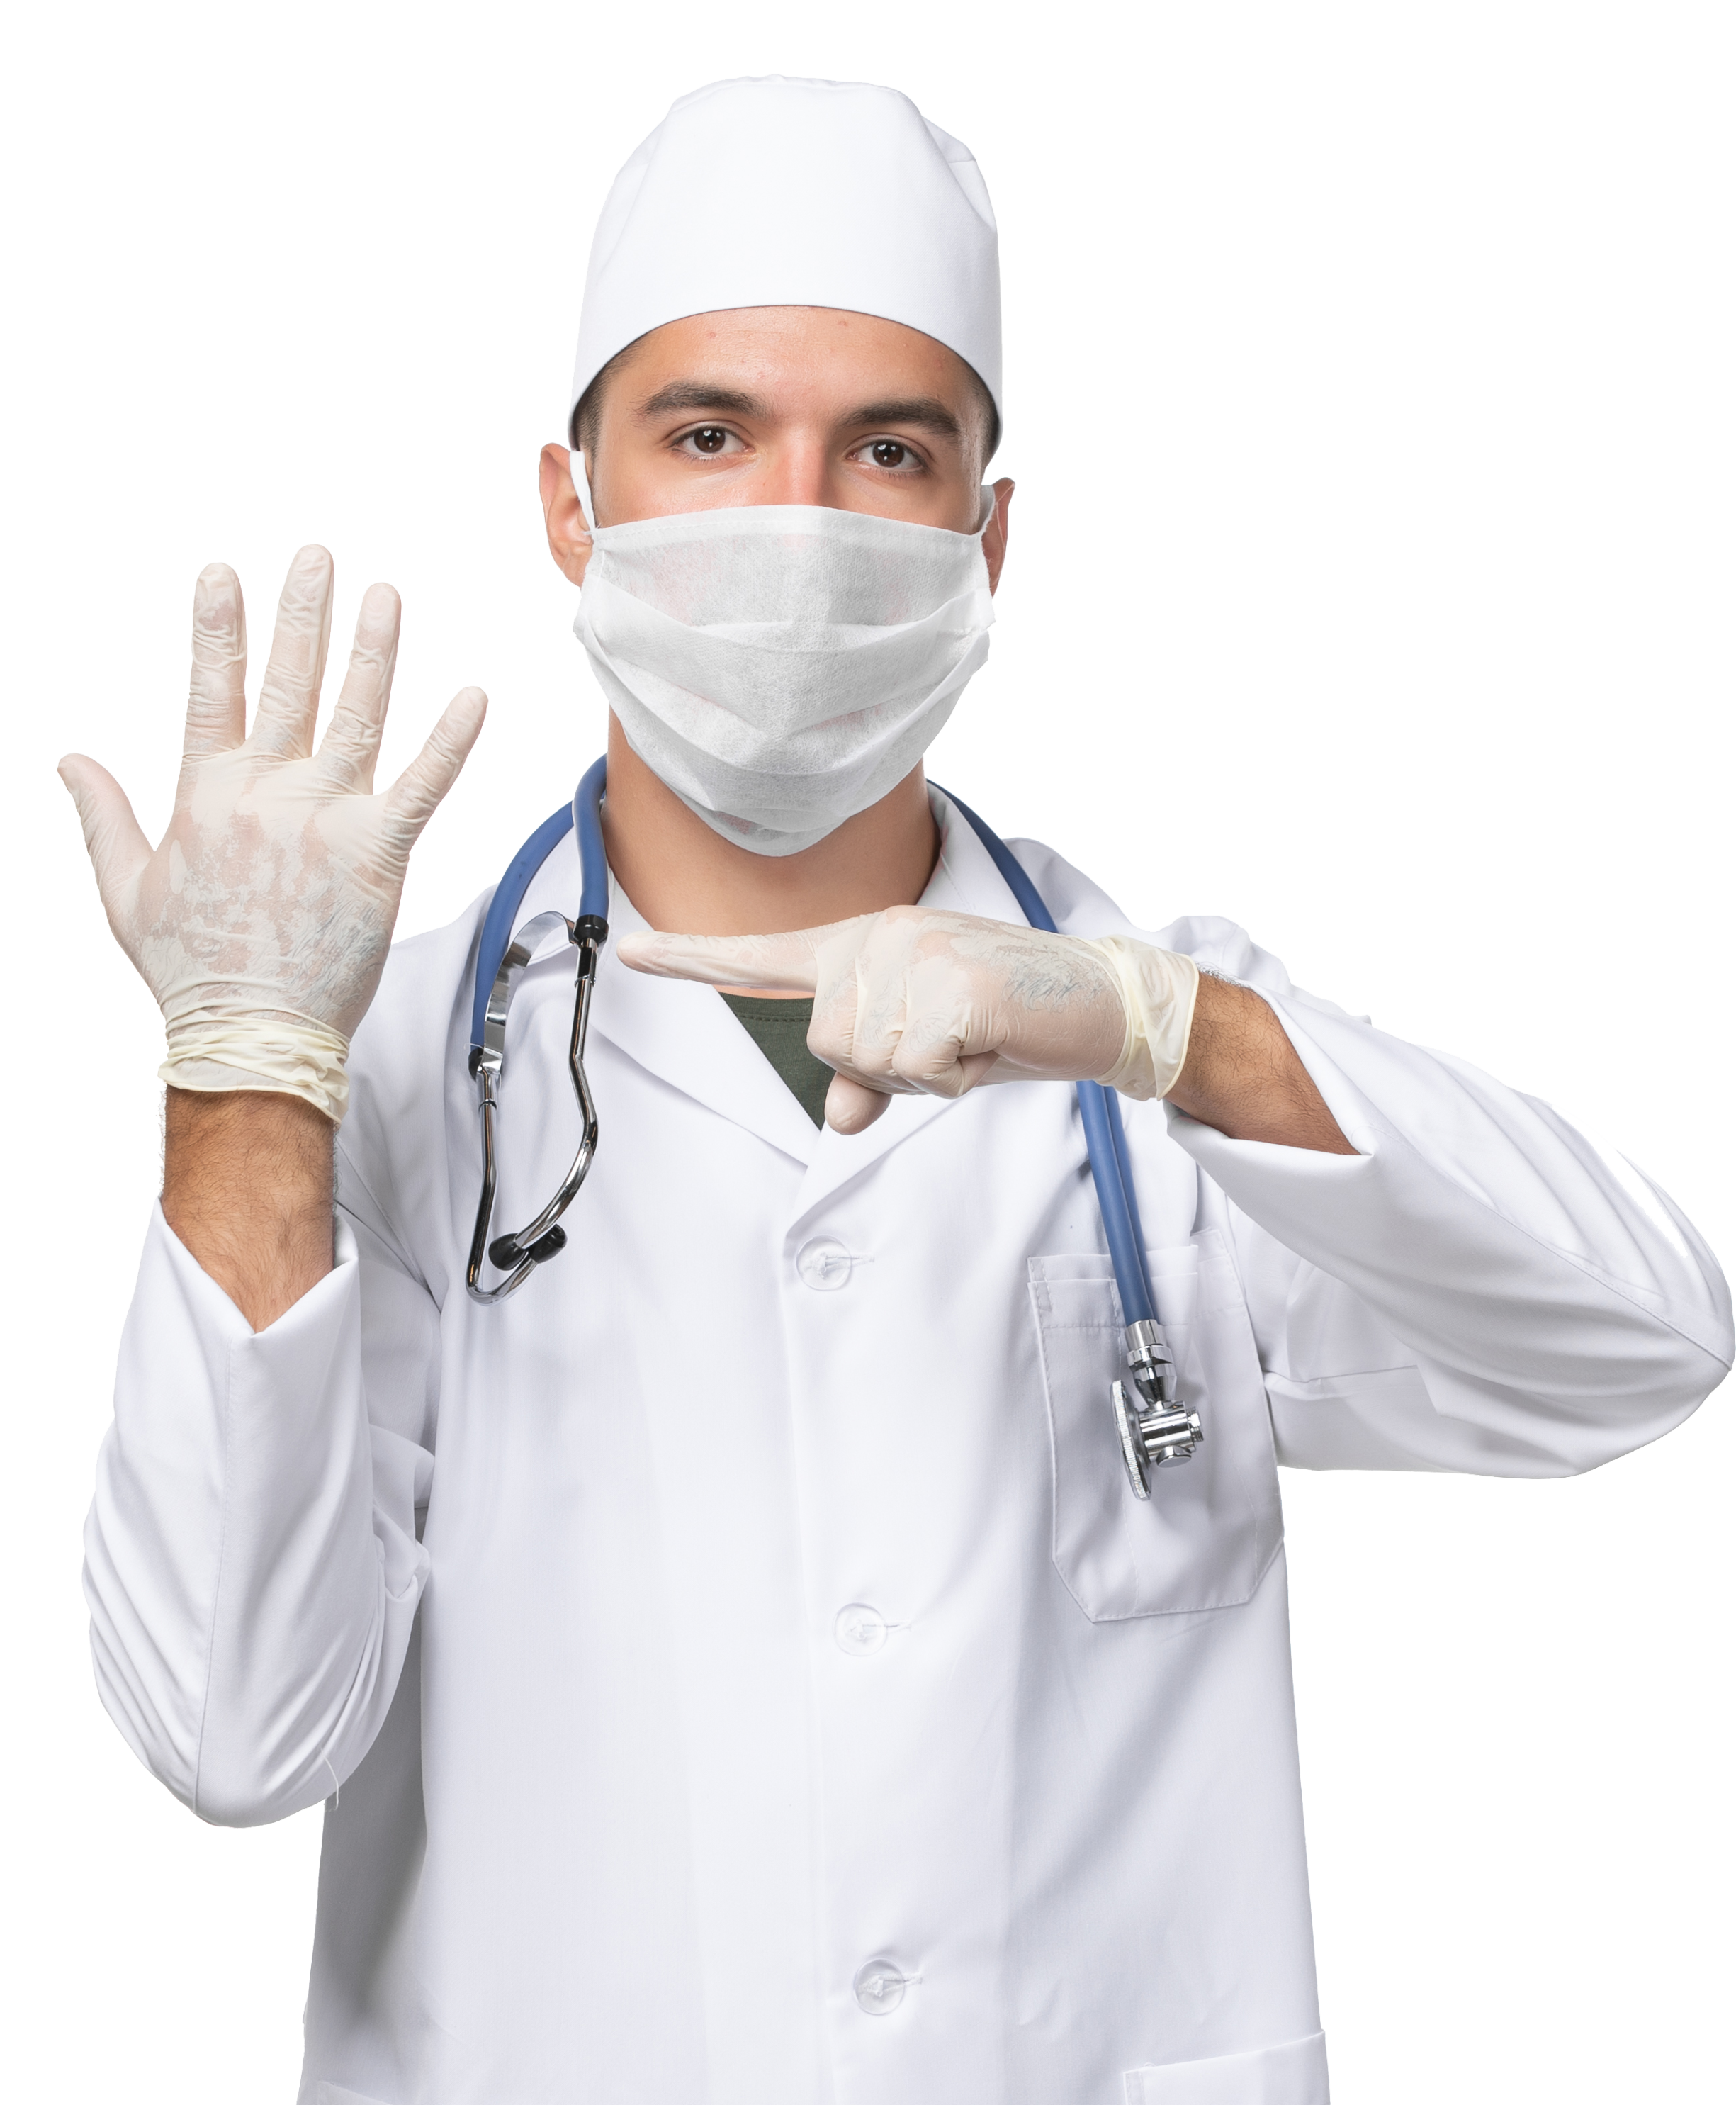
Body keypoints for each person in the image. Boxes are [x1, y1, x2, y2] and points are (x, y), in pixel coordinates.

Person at [62, 79, 1731, 2105]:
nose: (802, 521)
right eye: (708, 437)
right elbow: (234, 1735)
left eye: (890, 449)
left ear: (985, 536)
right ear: (571, 507)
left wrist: (1164, 1031)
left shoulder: (1165, 1052)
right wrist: (249, 1072)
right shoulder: (400, 1070)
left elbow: (1642, 1351)